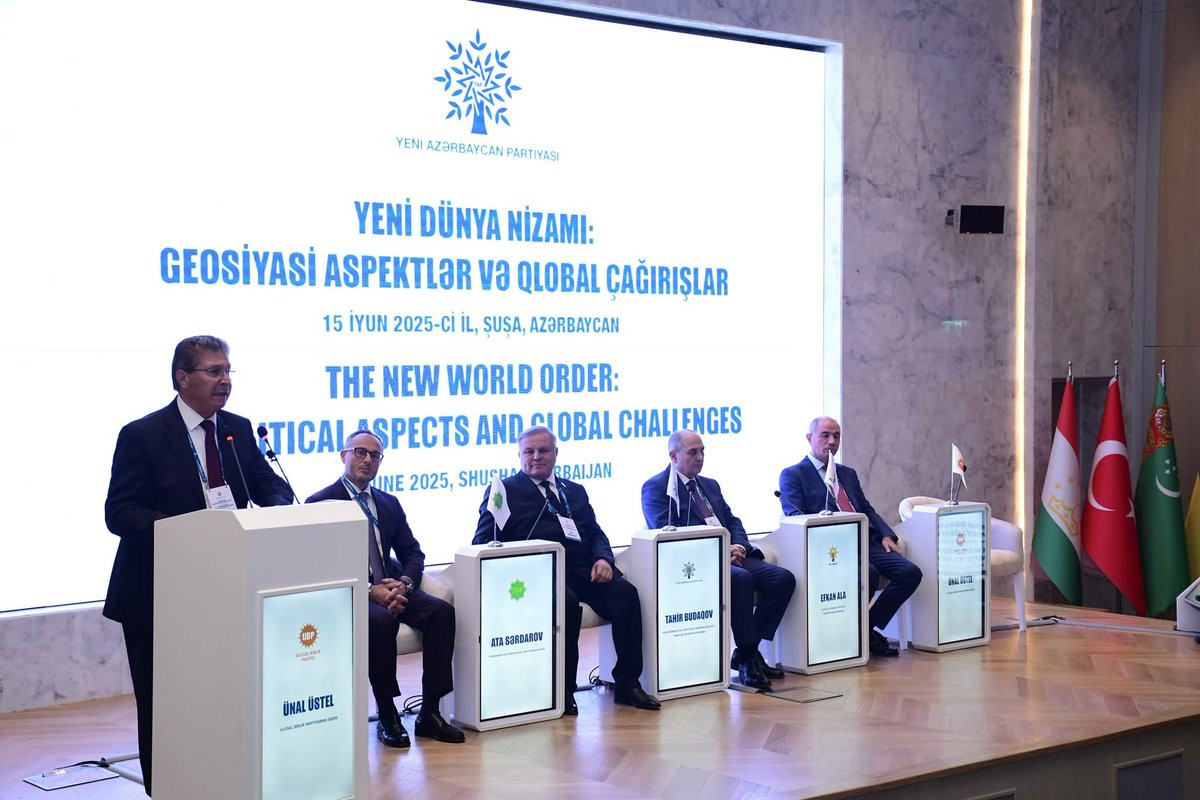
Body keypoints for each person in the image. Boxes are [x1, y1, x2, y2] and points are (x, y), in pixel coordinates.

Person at [103, 335, 293, 794]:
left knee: (220, 694)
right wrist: (188, 533)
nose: (225, 380)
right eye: (213, 371)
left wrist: (277, 508)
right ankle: (165, 787)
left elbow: (271, 486)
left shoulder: (237, 429)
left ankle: (222, 779)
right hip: (156, 593)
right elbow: (120, 512)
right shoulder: (143, 434)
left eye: (228, 370)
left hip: (226, 588)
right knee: (162, 702)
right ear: (182, 377)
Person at [472, 425, 660, 714]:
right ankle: (563, 690)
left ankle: (627, 684)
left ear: (556, 453)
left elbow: (595, 532)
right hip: (539, 576)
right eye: (529, 451)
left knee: (626, 594)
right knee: (567, 605)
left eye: (543, 450)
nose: (536, 456)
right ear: (519, 455)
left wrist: (603, 559)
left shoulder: (573, 490)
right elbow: (483, 541)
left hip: (583, 571)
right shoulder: (504, 491)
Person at [307, 430, 465, 748]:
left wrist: (404, 584)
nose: (367, 459)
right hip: (349, 592)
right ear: (343, 455)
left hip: (392, 586)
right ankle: (387, 712)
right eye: (360, 452)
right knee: (380, 621)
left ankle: (430, 712)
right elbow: (319, 563)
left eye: (375, 455)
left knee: (441, 612)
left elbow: (413, 553)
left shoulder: (389, 503)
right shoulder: (320, 503)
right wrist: (369, 590)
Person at [641, 430, 796, 689]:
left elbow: (732, 521)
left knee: (783, 579)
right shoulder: (656, 487)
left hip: (730, 555)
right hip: (697, 563)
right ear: (673, 456)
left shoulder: (709, 485)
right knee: (740, 579)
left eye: (702, 451)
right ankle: (749, 658)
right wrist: (719, 551)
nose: (700, 457)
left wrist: (739, 546)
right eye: (693, 452)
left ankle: (747, 651)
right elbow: (666, 533)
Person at [777, 416, 922, 658]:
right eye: (825, 435)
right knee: (869, 574)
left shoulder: (847, 473)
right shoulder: (793, 474)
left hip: (865, 541)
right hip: (832, 548)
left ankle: (865, 628)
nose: (832, 442)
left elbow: (865, 509)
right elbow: (795, 516)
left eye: (836, 436)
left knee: (910, 573)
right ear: (809, 438)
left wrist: (886, 535)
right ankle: (855, 634)